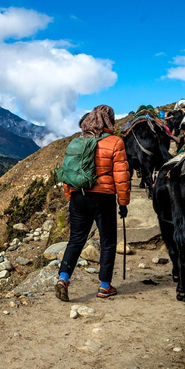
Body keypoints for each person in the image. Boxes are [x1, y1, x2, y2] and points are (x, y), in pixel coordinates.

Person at [55, 104, 131, 301]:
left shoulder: (77, 142)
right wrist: (123, 202)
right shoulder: (115, 142)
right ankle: (104, 286)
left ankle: (63, 279)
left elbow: (68, 172)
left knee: (75, 240)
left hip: (78, 196)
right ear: (109, 121)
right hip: (103, 197)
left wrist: (70, 196)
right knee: (108, 242)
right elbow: (121, 176)